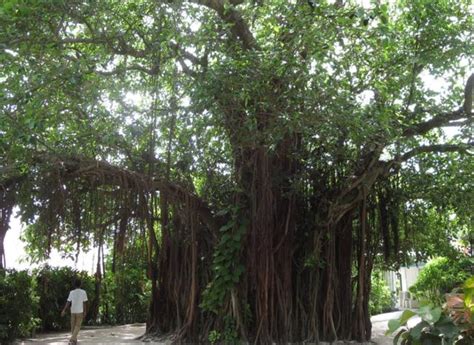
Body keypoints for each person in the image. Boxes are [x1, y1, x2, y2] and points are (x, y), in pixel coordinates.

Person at [61, 278, 88, 344]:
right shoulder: (83, 292)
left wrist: (64, 310)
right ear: (80, 284)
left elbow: (68, 302)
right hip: (80, 311)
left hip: (73, 311)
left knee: (73, 326)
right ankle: (72, 340)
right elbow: (84, 303)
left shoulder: (71, 292)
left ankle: (74, 341)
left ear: (74, 285)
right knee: (77, 326)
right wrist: (85, 311)